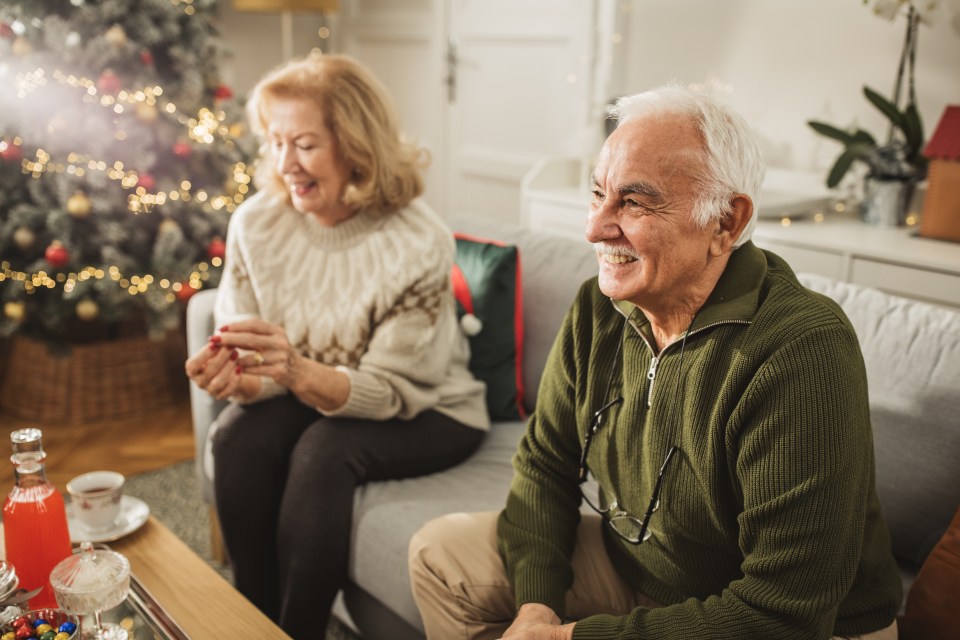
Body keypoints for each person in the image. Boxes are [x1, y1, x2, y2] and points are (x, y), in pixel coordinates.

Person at [408, 85, 902, 640]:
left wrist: (574, 637)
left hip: (785, 621)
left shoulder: (801, 350)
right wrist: (537, 608)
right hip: (641, 571)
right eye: (598, 194)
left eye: (635, 202)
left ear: (726, 223)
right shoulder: (600, 308)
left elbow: (784, 612)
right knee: (441, 556)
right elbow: (545, 465)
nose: (595, 228)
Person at [183, 53, 489, 638]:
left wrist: (294, 372)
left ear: (355, 145)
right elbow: (251, 355)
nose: (284, 163)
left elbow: (391, 388)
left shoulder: (416, 241)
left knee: (324, 450)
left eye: (304, 144)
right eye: (275, 142)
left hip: (428, 406)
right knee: (238, 436)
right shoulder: (256, 224)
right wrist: (241, 380)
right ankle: (254, 622)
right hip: (318, 388)